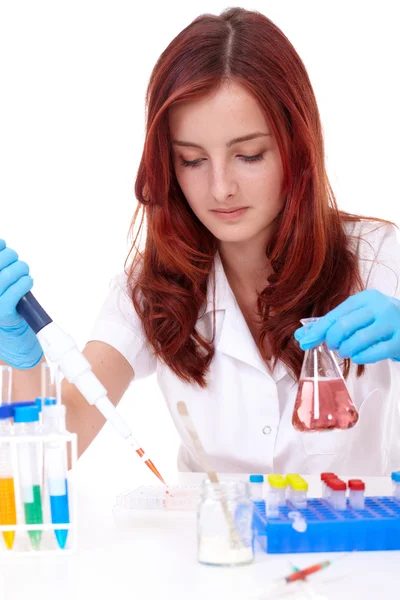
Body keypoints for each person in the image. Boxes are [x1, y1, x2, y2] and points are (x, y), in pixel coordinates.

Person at [1, 7, 400, 476]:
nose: (220, 189)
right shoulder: (153, 289)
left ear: (298, 144)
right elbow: (46, 458)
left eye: (249, 155)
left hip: (354, 547)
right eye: (192, 160)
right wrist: (21, 363)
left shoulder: (378, 258)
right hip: (216, 546)